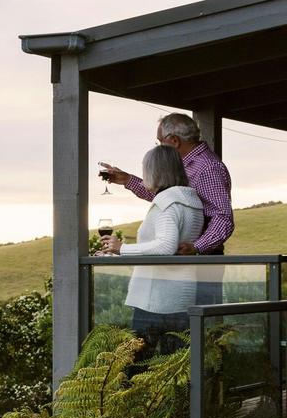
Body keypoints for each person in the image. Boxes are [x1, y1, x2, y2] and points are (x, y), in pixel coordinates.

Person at [100, 145, 204, 356]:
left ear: (155, 171)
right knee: (174, 371)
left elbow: (166, 246)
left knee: (134, 368)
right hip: (183, 298)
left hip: (155, 302)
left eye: (145, 169)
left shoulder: (167, 203)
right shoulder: (191, 202)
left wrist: (122, 249)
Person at [100, 113, 233, 255]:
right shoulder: (186, 165)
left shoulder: (207, 167)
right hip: (187, 257)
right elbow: (166, 196)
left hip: (202, 258)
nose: (158, 147)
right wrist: (127, 180)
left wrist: (197, 247)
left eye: (160, 141)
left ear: (174, 140)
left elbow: (223, 217)